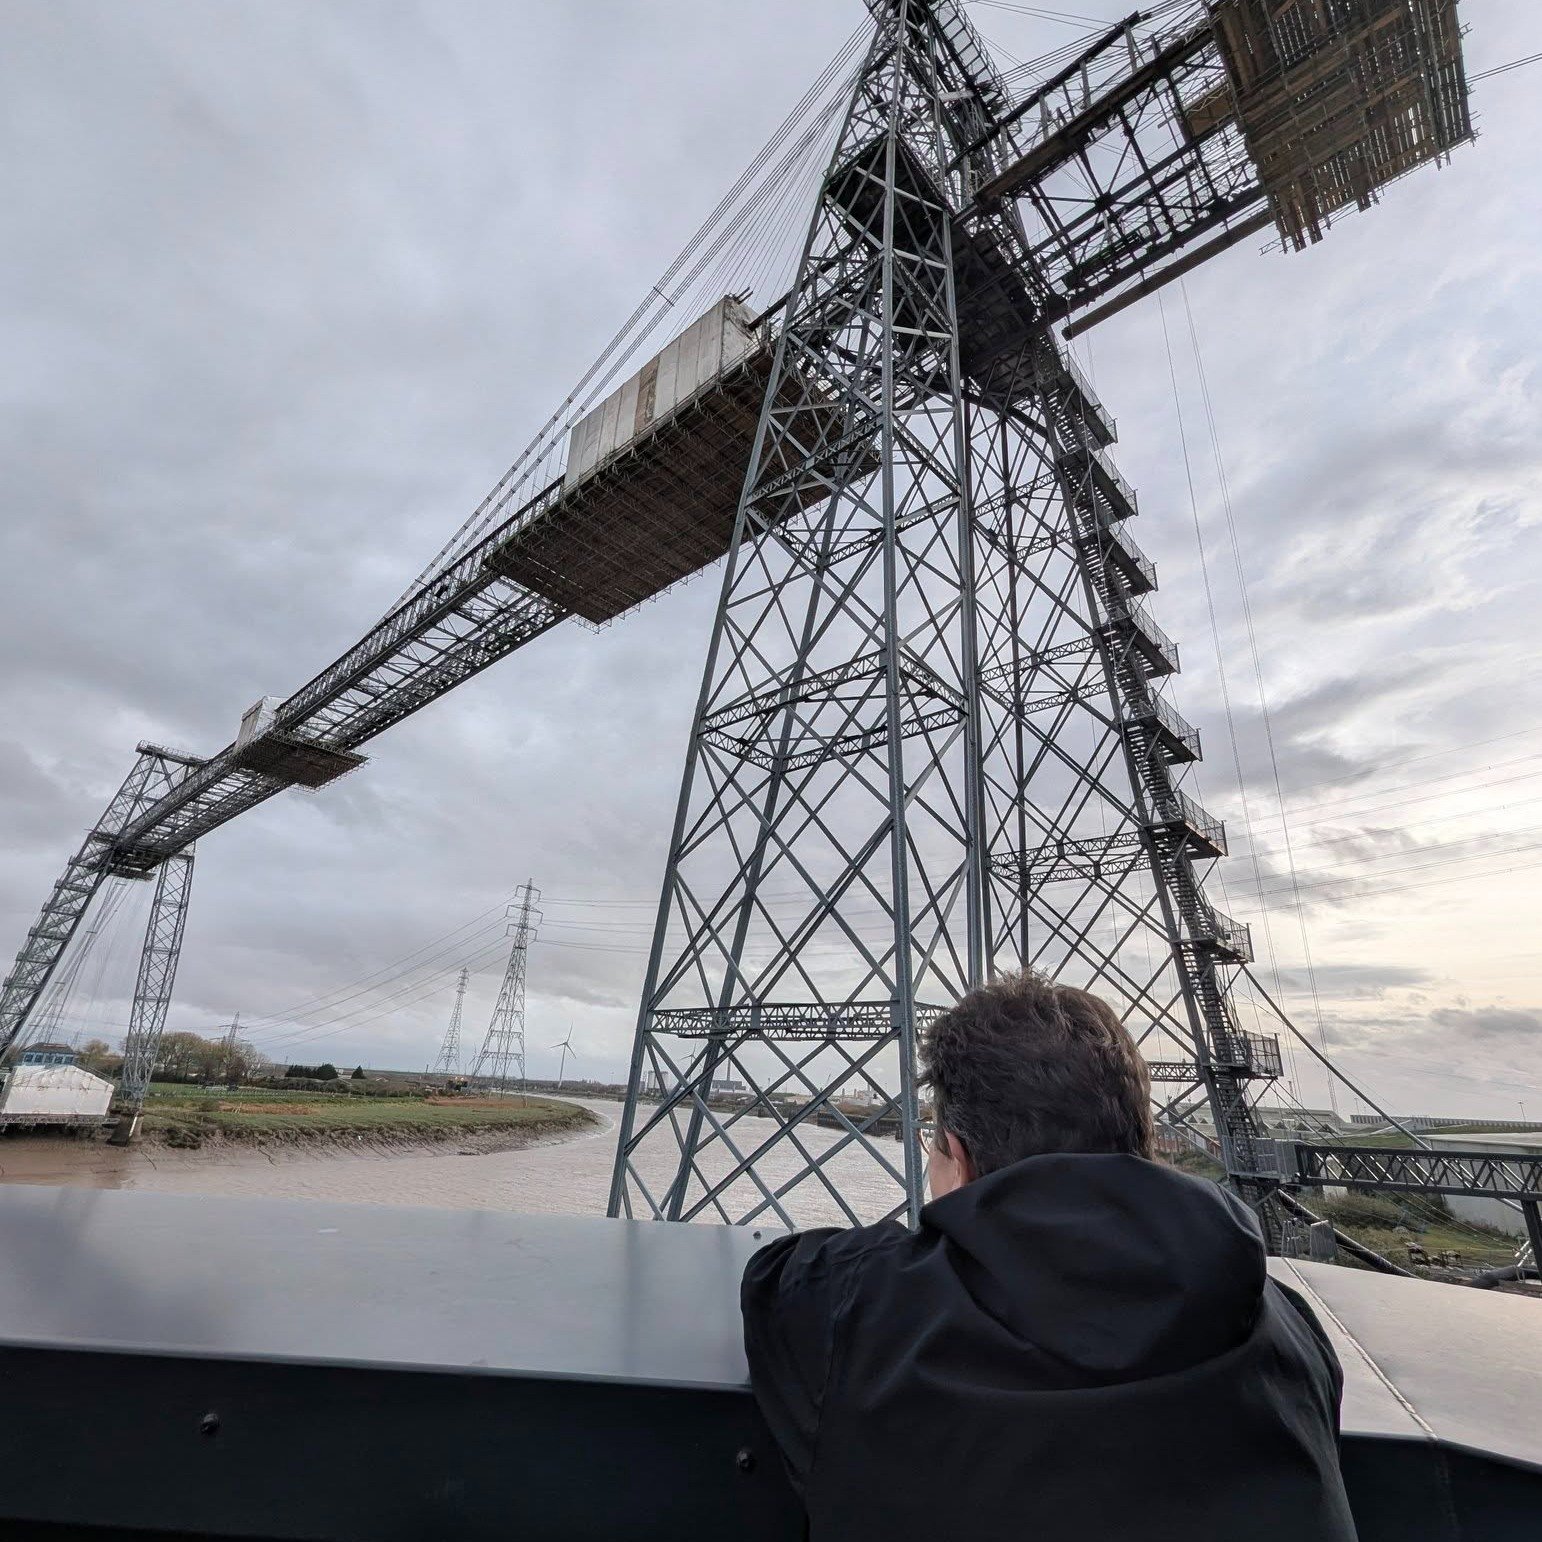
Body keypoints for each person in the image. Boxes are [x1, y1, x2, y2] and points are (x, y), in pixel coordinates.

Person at [741, 970, 1357, 1541]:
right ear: (1143, 1142)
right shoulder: (1284, 1324)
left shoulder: (857, 1303)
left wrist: (950, 1212)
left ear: (958, 1155)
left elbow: (779, 1273)